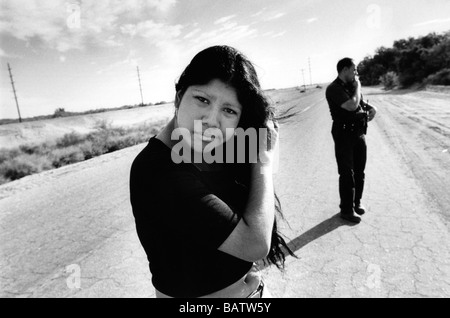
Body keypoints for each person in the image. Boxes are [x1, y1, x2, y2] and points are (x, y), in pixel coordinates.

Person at [129, 45, 294, 298]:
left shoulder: (209, 147)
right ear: (179, 97)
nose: (211, 120)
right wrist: (264, 160)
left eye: (229, 110)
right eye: (202, 99)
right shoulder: (157, 171)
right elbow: (255, 243)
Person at [325, 57, 377, 223]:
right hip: (343, 134)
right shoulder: (333, 88)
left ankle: (356, 202)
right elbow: (351, 105)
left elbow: (360, 104)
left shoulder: (351, 86)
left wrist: (372, 109)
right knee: (347, 173)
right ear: (345, 69)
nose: (356, 73)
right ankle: (346, 210)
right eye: (354, 69)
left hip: (359, 133)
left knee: (360, 171)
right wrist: (359, 86)